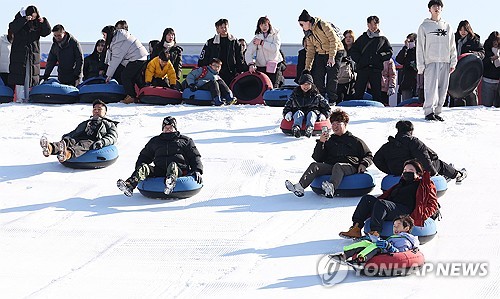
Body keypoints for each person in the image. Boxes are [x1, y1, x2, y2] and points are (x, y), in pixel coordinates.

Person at [339, 160, 438, 239]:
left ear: (418, 173)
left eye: (410, 170)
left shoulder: (424, 185)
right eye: (405, 170)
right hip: (392, 207)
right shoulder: (400, 184)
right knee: (367, 199)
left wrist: (420, 216)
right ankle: (356, 228)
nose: (407, 172)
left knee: (382, 204)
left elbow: (433, 203)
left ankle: (375, 232)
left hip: (406, 211)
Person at [285, 109, 373, 197]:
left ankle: (331, 187)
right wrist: (321, 143)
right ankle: (300, 187)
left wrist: (363, 164)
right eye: (333, 124)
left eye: (338, 124)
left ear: (345, 124)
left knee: (338, 166)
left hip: (349, 166)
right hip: (332, 166)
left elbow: (368, 155)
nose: (335, 127)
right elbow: (318, 158)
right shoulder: (329, 140)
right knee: (314, 165)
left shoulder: (355, 141)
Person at [117, 116, 203, 197]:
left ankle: (170, 183)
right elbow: (144, 156)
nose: (168, 129)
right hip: (160, 169)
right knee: (144, 167)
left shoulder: (185, 141)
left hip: (179, 170)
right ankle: (129, 185)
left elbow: (194, 156)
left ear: (175, 128)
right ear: (162, 129)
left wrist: (197, 170)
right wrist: (138, 169)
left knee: (172, 165)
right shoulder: (155, 141)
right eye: (166, 127)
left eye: (170, 127)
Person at [373, 120, 467, 183]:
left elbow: (377, 159)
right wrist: (434, 176)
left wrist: (391, 171)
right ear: (411, 130)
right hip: (415, 173)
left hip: (397, 172)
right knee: (439, 163)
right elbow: (424, 158)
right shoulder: (413, 141)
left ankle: (450, 172)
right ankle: (457, 174)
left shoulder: (389, 144)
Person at [39, 100, 118, 163]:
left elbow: (112, 137)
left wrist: (102, 142)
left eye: (99, 109)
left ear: (105, 112)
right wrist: (67, 136)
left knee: (83, 144)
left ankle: (66, 154)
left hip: (93, 140)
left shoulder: (109, 124)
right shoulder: (87, 122)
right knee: (69, 141)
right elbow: (76, 131)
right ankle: (49, 148)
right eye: (94, 109)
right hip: (80, 137)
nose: (96, 111)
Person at [416, 0, 457, 121]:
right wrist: (421, 65)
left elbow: (452, 45)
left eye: (439, 6)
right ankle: (429, 111)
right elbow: (420, 47)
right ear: (429, 9)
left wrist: (453, 61)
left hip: (445, 61)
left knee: (443, 88)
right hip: (430, 61)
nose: (436, 8)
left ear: (442, 9)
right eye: (434, 6)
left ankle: (438, 111)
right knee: (430, 87)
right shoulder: (424, 26)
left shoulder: (447, 26)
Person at [298, 9, 344, 104]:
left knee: (332, 77)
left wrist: (331, 57)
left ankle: (332, 100)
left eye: (302, 24)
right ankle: (320, 98)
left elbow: (333, 40)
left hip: (335, 51)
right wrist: (307, 68)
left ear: (308, 22)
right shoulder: (308, 34)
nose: (301, 27)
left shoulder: (322, 25)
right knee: (318, 76)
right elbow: (310, 51)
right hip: (321, 53)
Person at [334, 215, 419, 263]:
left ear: (406, 228)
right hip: (385, 249)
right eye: (394, 225)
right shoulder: (396, 237)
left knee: (376, 246)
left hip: (389, 253)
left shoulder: (405, 240)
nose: (395, 228)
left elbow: (401, 254)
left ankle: (360, 260)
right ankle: (344, 255)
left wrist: (389, 247)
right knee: (365, 243)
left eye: (398, 225)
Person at [8, 6, 51, 102]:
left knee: (31, 76)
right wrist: (24, 20)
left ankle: (29, 97)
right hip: (19, 55)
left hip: (32, 55)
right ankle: (19, 98)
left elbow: (46, 32)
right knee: (19, 76)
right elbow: (12, 27)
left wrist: (44, 21)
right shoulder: (19, 20)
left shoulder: (37, 24)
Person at [350, 16, 393, 104]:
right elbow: (353, 51)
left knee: (377, 93)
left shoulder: (383, 39)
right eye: (372, 24)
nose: (374, 26)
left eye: (376, 24)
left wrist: (379, 57)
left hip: (376, 70)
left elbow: (389, 52)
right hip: (363, 69)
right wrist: (360, 60)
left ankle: (377, 110)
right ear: (368, 25)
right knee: (358, 91)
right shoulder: (362, 38)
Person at [102, 25, 148, 103]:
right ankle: (139, 95)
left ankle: (131, 96)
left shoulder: (118, 43)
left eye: (104, 35)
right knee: (134, 77)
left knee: (125, 76)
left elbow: (115, 61)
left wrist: (108, 75)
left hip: (137, 58)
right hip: (140, 57)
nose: (103, 37)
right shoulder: (120, 37)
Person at [198, 18, 246, 86]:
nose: (224, 29)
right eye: (221, 27)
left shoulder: (235, 42)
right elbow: (204, 57)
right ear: (217, 29)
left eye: (225, 27)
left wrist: (239, 70)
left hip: (230, 72)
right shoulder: (211, 42)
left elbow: (240, 57)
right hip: (214, 72)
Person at [282, 71, 331, 138]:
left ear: (311, 85)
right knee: (298, 113)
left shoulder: (316, 96)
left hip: (313, 114)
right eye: (304, 84)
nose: (306, 86)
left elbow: (327, 108)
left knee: (311, 114)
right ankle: (296, 127)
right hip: (299, 113)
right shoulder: (295, 95)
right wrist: (288, 113)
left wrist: (324, 115)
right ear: (300, 85)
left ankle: (309, 128)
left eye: (308, 84)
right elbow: (287, 107)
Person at [450, 20, 485, 107]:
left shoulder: (474, 40)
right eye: (461, 30)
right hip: (456, 70)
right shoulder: (454, 40)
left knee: (470, 92)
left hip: (469, 71)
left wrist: (473, 54)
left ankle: (473, 109)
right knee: (456, 93)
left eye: (465, 30)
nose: (463, 32)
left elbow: (482, 53)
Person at [245, 16, 284, 88]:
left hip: (274, 65)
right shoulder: (257, 37)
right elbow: (248, 52)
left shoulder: (275, 35)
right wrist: (250, 64)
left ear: (269, 25)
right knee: (263, 87)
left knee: (274, 86)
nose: (264, 27)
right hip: (262, 66)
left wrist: (262, 43)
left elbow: (275, 48)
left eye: (265, 25)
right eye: (261, 25)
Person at [396, 33, 418, 101]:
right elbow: (399, 60)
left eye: (411, 41)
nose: (410, 42)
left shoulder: (420, 52)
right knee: (406, 104)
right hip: (406, 83)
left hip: (418, 83)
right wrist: (405, 47)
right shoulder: (406, 51)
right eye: (408, 41)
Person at [336, 30, 356, 103]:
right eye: (346, 37)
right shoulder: (340, 49)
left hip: (353, 79)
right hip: (341, 78)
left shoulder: (357, 49)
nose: (348, 39)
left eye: (350, 37)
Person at [481, 31, 500, 107]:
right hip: (488, 80)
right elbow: (482, 63)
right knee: (487, 106)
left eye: (497, 41)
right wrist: (490, 59)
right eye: (494, 41)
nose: (496, 43)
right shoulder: (486, 50)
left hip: (498, 81)